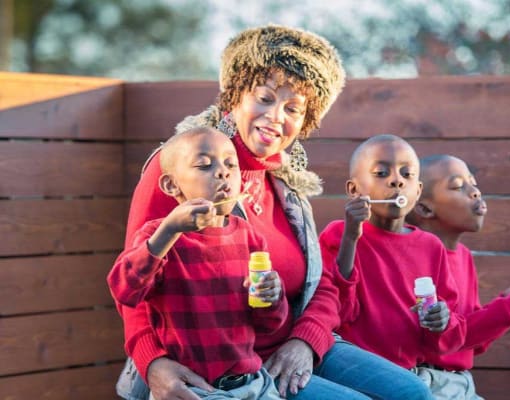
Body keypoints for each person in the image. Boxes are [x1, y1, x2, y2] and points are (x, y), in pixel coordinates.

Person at [116, 25, 432, 400]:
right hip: (221, 363)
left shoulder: (287, 183)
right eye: (265, 98)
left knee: (413, 394)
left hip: (293, 344)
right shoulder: (185, 168)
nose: (276, 117)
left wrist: (306, 341)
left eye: (293, 108)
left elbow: (323, 284)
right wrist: (153, 363)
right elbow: (133, 281)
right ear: (235, 95)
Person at [108, 127, 287, 400]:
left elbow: (267, 324)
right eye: (204, 165)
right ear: (171, 185)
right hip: (195, 390)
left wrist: (273, 297)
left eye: (231, 164)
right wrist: (168, 231)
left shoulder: (250, 237)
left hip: (253, 384)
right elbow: (125, 289)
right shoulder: (159, 236)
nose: (223, 172)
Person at [406, 154, 510, 400]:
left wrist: (506, 303)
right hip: (429, 382)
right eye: (457, 186)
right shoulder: (419, 257)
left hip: (462, 383)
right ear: (424, 207)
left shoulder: (463, 256)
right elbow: (447, 340)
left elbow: (472, 342)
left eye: (473, 182)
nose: (475, 191)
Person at [319, 134, 467, 370]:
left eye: (407, 175)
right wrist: (350, 239)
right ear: (354, 189)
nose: (397, 181)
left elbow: (449, 334)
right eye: (381, 173)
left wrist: (442, 320)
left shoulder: (430, 247)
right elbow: (336, 310)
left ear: (418, 191)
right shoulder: (339, 234)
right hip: (350, 367)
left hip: (407, 371)